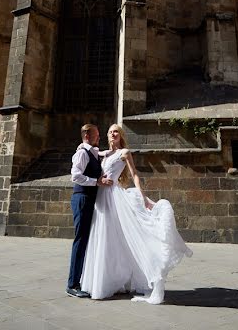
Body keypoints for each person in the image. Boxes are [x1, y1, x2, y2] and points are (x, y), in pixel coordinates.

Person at [80, 124, 192, 304]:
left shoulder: (124, 152)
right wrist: (81, 146)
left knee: (121, 235)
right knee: (104, 237)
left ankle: (144, 274)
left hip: (113, 196)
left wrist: (144, 198)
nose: (113, 134)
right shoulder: (103, 153)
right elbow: (88, 150)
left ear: (121, 134)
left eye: (116, 131)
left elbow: (135, 175)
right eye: (110, 132)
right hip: (100, 196)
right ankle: (109, 280)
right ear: (107, 136)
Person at [66, 123, 113, 298]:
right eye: (96, 135)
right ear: (86, 135)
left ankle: (80, 280)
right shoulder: (81, 153)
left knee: (86, 239)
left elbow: (98, 154)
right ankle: (72, 284)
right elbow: (75, 175)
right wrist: (97, 182)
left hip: (89, 199)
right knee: (80, 240)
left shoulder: (90, 152)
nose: (99, 138)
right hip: (82, 198)